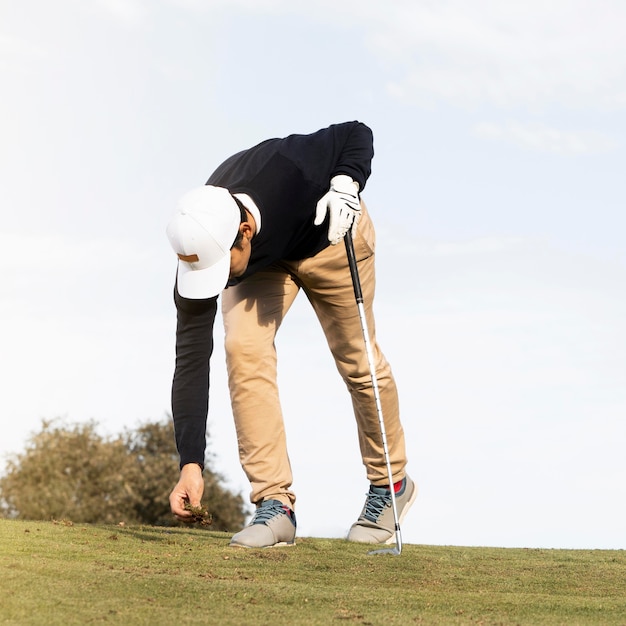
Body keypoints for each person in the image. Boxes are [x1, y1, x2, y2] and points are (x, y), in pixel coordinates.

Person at [166, 121, 416, 548]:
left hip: (330, 238)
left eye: (221, 269)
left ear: (243, 234)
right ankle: (274, 505)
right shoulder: (202, 241)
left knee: (357, 360)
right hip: (268, 264)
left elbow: (356, 132)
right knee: (242, 348)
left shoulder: (291, 168)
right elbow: (190, 358)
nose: (217, 281)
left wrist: (345, 181)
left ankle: (389, 485)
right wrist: (191, 463)